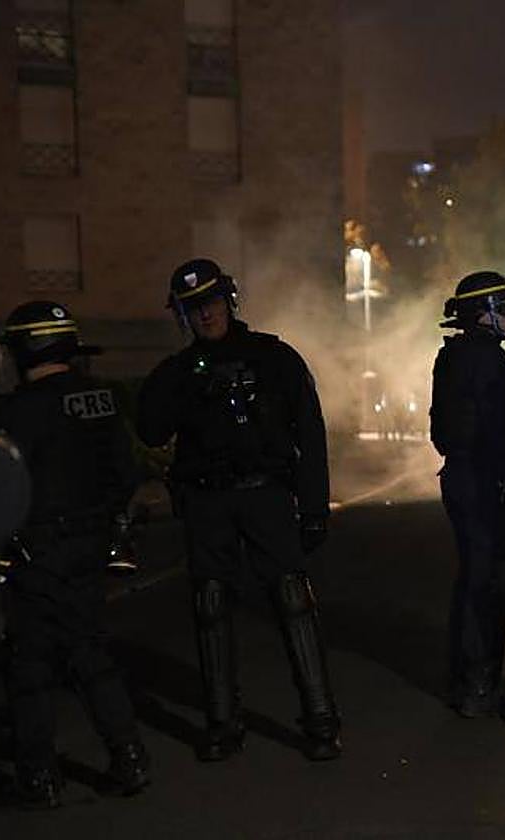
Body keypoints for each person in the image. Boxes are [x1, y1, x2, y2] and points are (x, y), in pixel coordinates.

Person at [137, 258, 339, 762]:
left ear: (228, 300)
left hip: (265, 494)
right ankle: (223, 724)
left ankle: (320, 720)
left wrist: (314, 508)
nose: (204, 316)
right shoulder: (179, 372)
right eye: (191, 309)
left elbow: (310, 435)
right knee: (209, 605)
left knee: (293, 599)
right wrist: (185, 389)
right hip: (207, 500)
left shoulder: (273, 358)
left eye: (208, 303)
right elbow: (150, 430)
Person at [0, 301, 149, 808]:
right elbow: (127, 474)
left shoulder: (16, 411)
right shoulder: (101, 399)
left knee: (30, 664)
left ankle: (39, 778)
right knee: (89, 650)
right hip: (91, 547)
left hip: (38, 551)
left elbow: (0, 487)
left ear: (24, 349)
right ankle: (129, 758)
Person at [430, 271, 505, 717]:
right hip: (485, 482)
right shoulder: (488, 362)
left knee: (473, 577)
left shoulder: (456, 356)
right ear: (482, 314)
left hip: (464, 478)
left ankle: (467, 679)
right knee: (487, 582)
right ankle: (477, 685)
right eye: (504, 308)